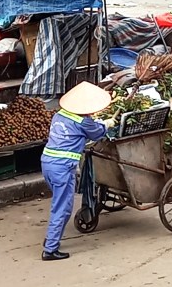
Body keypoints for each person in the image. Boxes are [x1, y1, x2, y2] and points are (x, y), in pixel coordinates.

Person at [41, 81, 112, 261]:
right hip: (63, 167)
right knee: (63, 207)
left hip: (47, 163)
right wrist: (107, 124)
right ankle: (50, 249)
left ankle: (51, 238)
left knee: (58, 202)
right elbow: (98, 133)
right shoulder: (84, 121)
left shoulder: (59, 115)